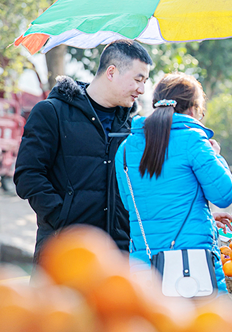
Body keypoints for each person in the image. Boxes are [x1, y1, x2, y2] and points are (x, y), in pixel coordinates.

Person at [14, 39, 153, 261]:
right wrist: (63, 219)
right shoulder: (52, 112)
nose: (142, 89)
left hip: (118, 257)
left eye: (145, 81)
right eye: (138, 79)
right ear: (111, 72)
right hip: (63, 251)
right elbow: (27, 175)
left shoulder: (132, 128)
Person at [114, 72, 232, 293]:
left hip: (144, 271)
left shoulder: (124, 149)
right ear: (193, 109)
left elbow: (132, 203)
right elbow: (224, 194)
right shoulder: (193, 140)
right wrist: (216, 154)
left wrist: (201, 214)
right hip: (191, 269)